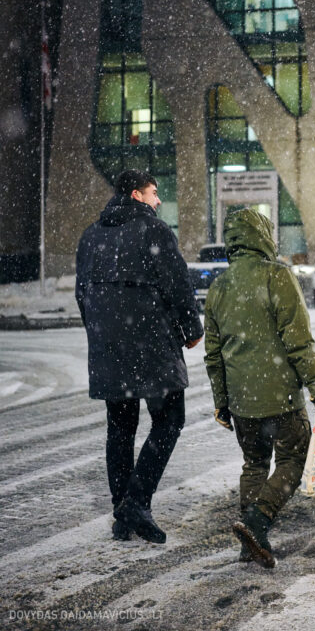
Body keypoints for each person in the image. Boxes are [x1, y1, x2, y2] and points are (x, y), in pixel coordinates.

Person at [76, 169, 203, 543]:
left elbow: (82, 293)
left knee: (120, 428)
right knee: (170, 419)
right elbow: (177, 284)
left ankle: (122, 514)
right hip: (151, 344)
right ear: (136, 195)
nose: (158, 200)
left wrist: (100, 332)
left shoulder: (91, 235)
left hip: (109, 347)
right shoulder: (154, 231)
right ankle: (136, 501)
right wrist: (192, 330)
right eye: (153, 193)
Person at [203, 208, 315, 568]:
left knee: (254, 463)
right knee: (293, 458)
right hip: (281, 397)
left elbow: (214, 354)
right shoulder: (277, 276)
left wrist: (221, 401)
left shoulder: (219, 286)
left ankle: (250, 544)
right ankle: (258, 522)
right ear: (262, 237)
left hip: (242, 401)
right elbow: (299, 341)